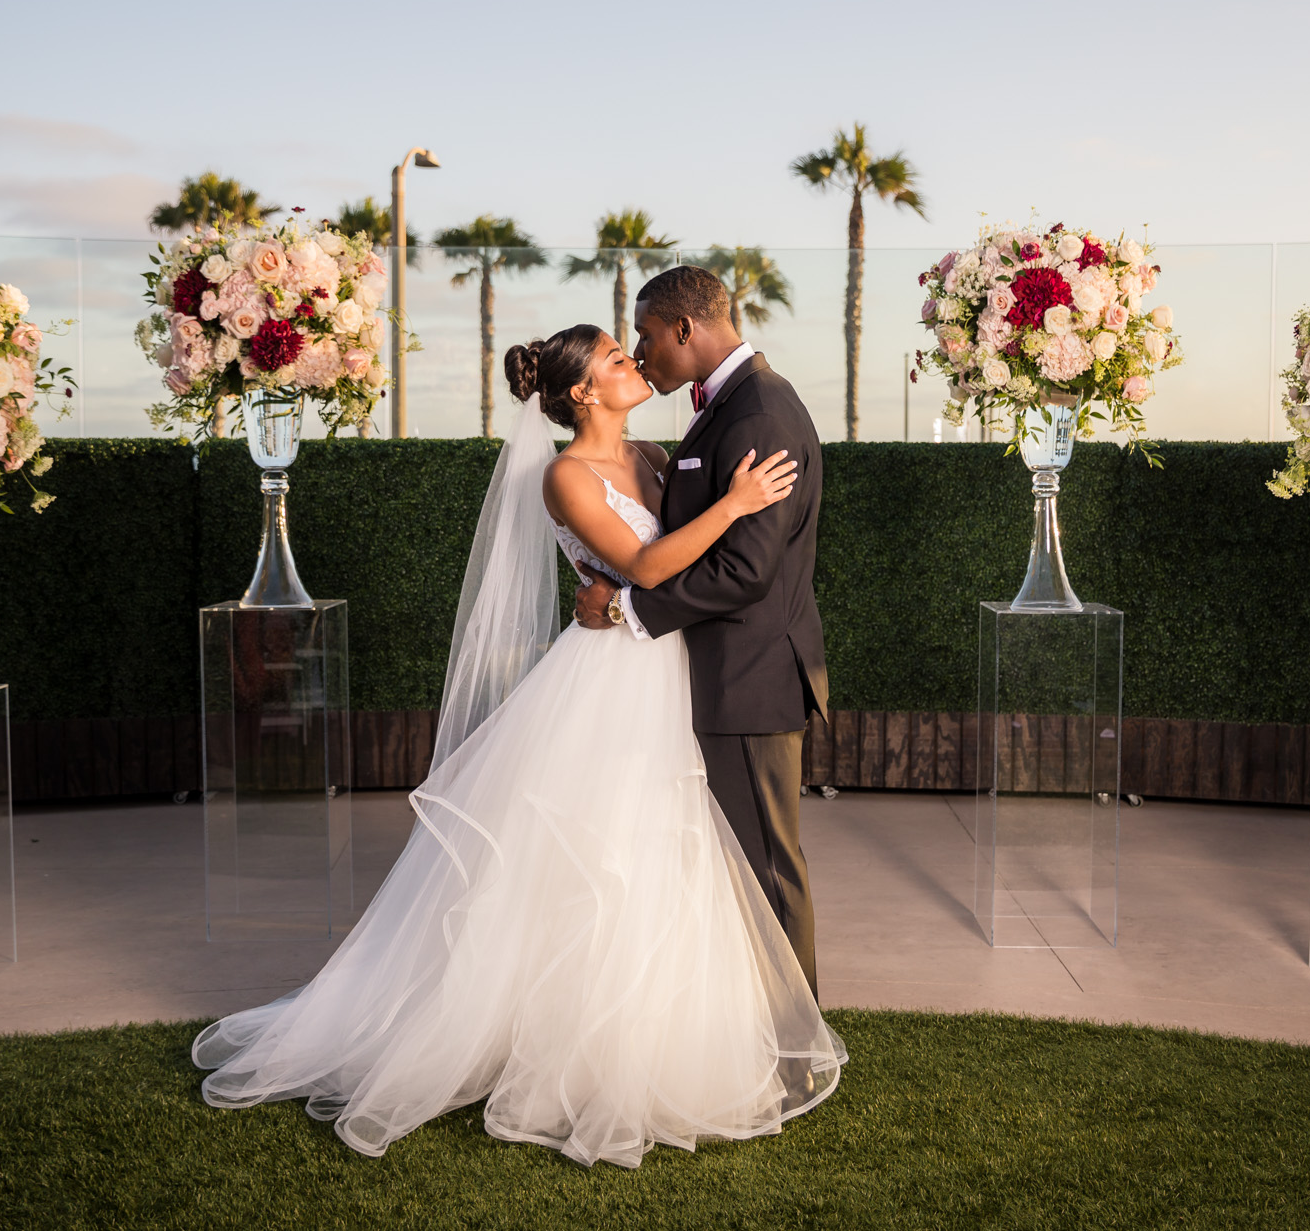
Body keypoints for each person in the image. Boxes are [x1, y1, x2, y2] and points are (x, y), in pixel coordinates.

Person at [192, 318, 844, 1170]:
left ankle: (679, 1025)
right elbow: (649, 571)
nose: (635, 361)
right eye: (618, 357)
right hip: (610, 680)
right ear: (581, 393)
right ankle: (561, 1042)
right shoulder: (565, 477)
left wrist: (644, 578)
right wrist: (733, 505)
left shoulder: (653, 455)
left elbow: (670, 576)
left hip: (663, 666)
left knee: (666, 850)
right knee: (596, 855)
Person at [574, 265, 831, 999]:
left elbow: (745, 570)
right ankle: (761, 1030)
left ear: (686, 328)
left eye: (648, 335)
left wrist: (628, 610)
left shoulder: (758, 413)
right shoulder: (732, 406)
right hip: (729, 677)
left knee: (766, 871)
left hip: (749, 682)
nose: (641, 351)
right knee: (743, 868)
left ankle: (794, 1048)